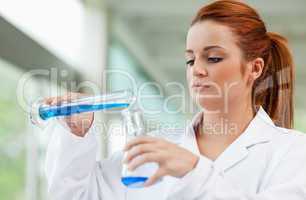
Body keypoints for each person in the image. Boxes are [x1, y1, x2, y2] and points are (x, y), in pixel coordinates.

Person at [44, 0, 306, 199]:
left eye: (213, 58)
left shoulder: (292, 152)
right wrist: (75, 136)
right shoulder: (157, 148)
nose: (197, 70)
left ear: (255, 68)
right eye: (190, 60)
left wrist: (194, 172)